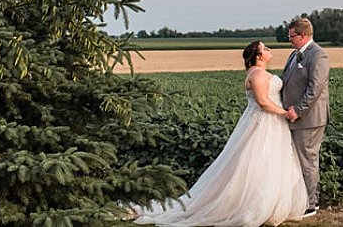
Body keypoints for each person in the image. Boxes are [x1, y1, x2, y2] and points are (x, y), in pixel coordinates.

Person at [134, 41, 308, 226]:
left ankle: (272, 204)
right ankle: (253, 205)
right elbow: (263, 102)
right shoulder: (256, 74)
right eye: (264, 48)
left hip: (272, 123)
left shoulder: (259, 73)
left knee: (271, 161)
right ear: (257, 56)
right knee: (258, 161)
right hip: (263, 122)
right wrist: (285, 113)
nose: (268, 50)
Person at [281, 17, 330, 217]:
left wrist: (298, 110)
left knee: (308, 160)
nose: (289, 40)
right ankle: (299, 199)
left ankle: (311, 204)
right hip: (294, 118)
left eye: (291, 36)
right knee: (298, 160)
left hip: (309, 119)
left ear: (303, 35)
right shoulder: (294, 55)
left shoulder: (318, 55)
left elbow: (315, 88)